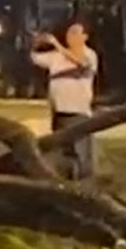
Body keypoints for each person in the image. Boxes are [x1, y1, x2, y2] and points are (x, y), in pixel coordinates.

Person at [32, 21, 99, 180]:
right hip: (59, 114)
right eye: (69, 33)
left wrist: (56, 44)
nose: (71, 36)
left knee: (81, 156)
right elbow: (35, 58)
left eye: (76, 32)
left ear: (85, 37)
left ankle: (85, 192)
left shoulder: (89, 54)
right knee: (61, 156)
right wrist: (36, 43)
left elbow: (81, 62)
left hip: (78, 114)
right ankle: (64, 188)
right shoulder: (57, 57)